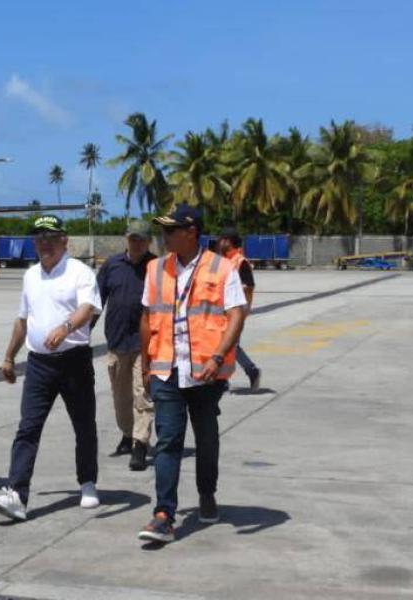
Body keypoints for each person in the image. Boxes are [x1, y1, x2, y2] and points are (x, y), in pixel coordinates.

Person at [137, 204, 247, 544]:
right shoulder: (155, 268)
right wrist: (145, 363)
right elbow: (146, 317)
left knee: (206, 437)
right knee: (168, 440)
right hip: (166, 368)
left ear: (191, 232)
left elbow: (237, 315)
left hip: (205, 370)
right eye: (163, 231)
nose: (164, 236)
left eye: (171, 230)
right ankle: (164, 515)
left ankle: (206, 493)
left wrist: (217, 356)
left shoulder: (222, 267)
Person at [0, 215, 103, 521]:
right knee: (28, 427)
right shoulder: (31, 276)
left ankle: (87, 481)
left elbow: (87, 309)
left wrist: (66, 328)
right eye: (38, 239)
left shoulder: (80, 272)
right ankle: (16, 494)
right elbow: (23, 320)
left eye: (50, 238)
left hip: (74, 360)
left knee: (84, 424)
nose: (44, 244)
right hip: (38, 363)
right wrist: (9, 356)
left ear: (64, 240)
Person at [95, 220, 156, 471]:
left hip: (145, 344)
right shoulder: (112, 266)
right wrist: (82, 333)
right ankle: (128, 434)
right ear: (126, 239)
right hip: (117, 342)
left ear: (149, 241)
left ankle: (140, 446)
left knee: (143, 395)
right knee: (121, 399)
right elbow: (96, 301)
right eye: (133, 238)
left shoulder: (156, 267)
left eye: (142, 239)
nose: (137, 243)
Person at [216, 228, 261, 390]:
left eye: (223, 239)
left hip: (236, 311)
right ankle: (224, 379)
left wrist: (239, 303)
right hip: (223, 310)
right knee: (227, 344)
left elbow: (248, 285)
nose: (220, 243)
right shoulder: (224, 260)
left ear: (229, 241)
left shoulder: (240, 261)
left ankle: (251, 371)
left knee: (230, 344)